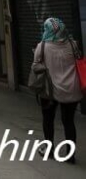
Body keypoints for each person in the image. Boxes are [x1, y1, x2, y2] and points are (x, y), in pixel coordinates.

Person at [33, 18, 81, 165]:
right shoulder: (73, 44)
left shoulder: (42, 46)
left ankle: (49, 149)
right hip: (72, 88)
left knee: (48, 120)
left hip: (50, 90)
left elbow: (35, 67)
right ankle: (70, 155)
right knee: (69, 122)